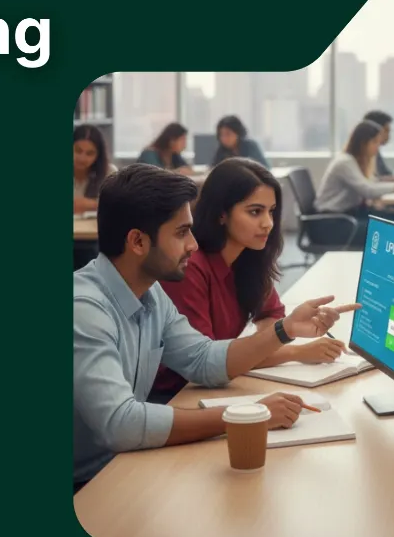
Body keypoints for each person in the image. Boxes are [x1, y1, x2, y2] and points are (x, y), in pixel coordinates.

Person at [72, 164, 359, 488]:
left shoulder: (151, 292)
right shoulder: (84, 309)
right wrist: (246, 415)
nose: (193, 245)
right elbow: (120, 424)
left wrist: (285, 330)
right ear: (137, 241)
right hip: (85, 479)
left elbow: (203, 359)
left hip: (119, 464)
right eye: (181, 233)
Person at [153, 160, 347, 402]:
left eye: (271, 211)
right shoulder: (191, 267)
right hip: (177, 395)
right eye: (255, 211)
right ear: (221, 214)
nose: (268, 223)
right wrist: (293, 351)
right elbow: (211, 361)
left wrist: (270, 341)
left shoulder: (249, 257)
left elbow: (271, 315)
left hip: (217, 386)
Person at [316, 120, 394, 238]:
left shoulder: (357, 161)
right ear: (362, 143)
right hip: (333, 224)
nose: (377, 147)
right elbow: (368, 190)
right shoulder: (345, 162)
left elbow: (375, 182)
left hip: (350, 216)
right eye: (374, 142)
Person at [72, 124, 109, 215]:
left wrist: (93, 205)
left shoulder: (109, 173)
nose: (82, 158)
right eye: (78, 151)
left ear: (98, 156)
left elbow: (120, 206)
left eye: (89, 153)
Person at [364, 110, 394, 176]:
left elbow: (386, 175)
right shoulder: (365, 154)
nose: (388, 135)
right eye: (386, 131)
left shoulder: (375, 151)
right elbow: (378, 180)